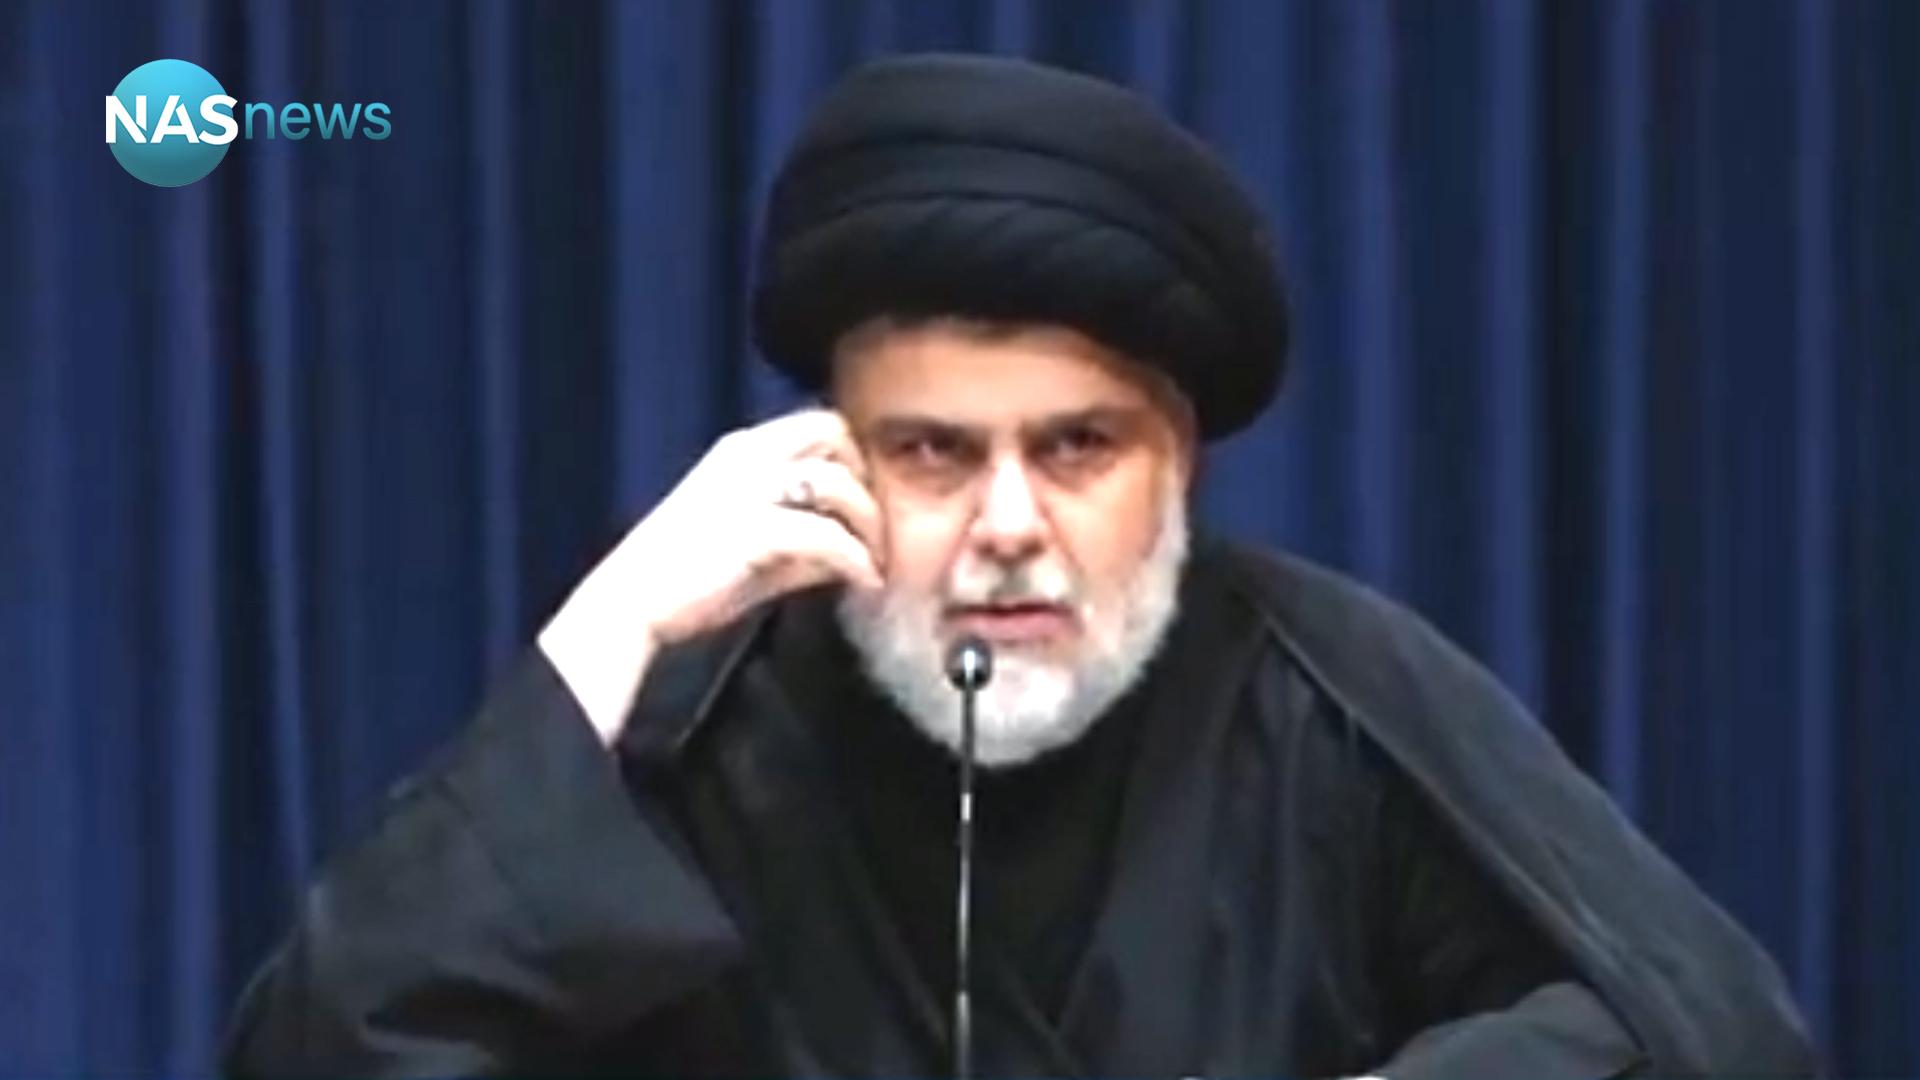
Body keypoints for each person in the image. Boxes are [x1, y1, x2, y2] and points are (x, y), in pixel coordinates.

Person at [223, 54, 1815, 1079]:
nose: (1004, 523)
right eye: (933, 451)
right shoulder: (698, 727)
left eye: (1076, 449)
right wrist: (608, 632)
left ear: (1177, 467)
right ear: (828, 457)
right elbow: (323, 1055)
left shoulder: (1329, 694)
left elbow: (1709, 1035)